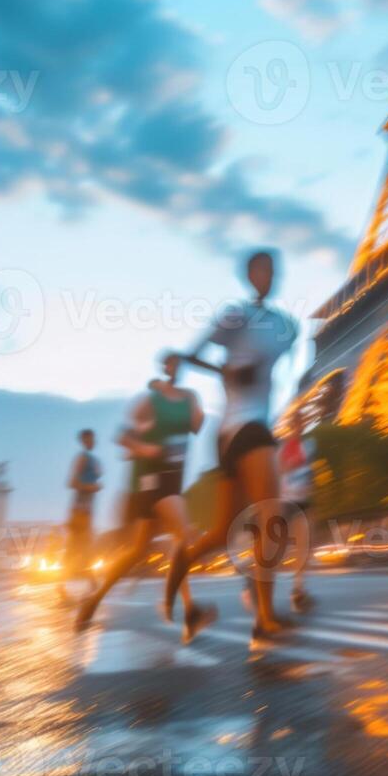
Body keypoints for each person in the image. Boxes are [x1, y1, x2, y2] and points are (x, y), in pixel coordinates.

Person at [165, 249, 300, 647]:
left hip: (237, 431)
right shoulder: (235, 315)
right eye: (261, 269)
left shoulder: (285, 325)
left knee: (225, 531)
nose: (269, 275)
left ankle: (184, 559)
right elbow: (190, 355)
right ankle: (264, 618)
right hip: (245, 426)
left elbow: (284, 363)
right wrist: (227, 370)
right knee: (271, 520)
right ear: (247, 274)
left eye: (274, 270)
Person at [75, 354, 203, 633]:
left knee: (138, 551)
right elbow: (123, 437)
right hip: (153, 478)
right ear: (163, 368)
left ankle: (93, 600)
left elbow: (197, 425)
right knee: (184, 536)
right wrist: (147, 449)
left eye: (179, 365)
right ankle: (186, 608)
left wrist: (200, 405)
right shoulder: (148, 401)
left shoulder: (189, 397)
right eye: (170, 364)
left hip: (173, 478)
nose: (175, 369)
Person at [277, 403, 316, 613]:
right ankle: (254, 586)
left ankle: (298, 590)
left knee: (303, 547)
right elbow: (281, 470)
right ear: (292, 425)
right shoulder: (286, 446)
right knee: (281, 548)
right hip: (288, 501)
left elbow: (309, 473)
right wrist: (296, 463)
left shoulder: (308, 445)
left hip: (303, 499)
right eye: (296, 423)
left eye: (302, 422)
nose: (299, 426)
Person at [61, 429, 104, 603]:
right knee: (77, 548)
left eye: (94, 438)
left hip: (86, 510)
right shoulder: (82, 457)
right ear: (84, 440)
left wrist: (93, 486)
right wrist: (93, 487)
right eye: (90, 439)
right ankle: (69, 584)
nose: (93, 441)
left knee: (83, 547)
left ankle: (90, 582)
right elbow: (71, 482)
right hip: (80, 509)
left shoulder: (91, 458)